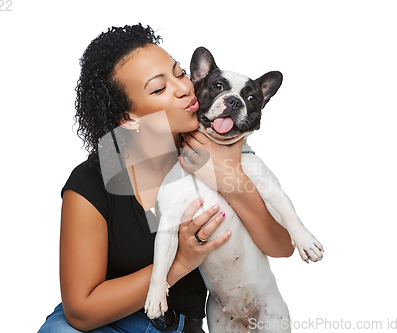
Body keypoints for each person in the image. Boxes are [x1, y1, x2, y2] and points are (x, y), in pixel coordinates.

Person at [38, 24, 294, 333]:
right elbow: (81, 311)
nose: (183, 88)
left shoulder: (217, 151)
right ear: (127, 119)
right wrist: (181, 261)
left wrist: (228, 180)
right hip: (105, 326)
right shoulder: (92, 182)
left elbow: (282, 247)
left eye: (180, 73)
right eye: (159, 88)